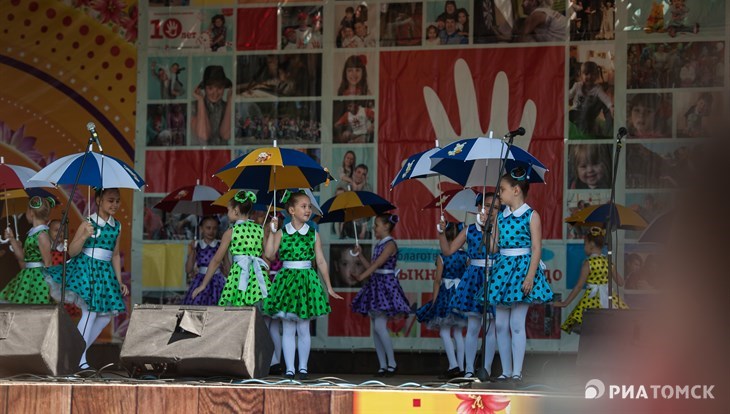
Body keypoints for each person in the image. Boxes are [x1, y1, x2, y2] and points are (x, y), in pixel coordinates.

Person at [45, 188, 129, 369]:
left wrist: (119, 280)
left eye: (117, 201)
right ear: (98, 200)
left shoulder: (118, 226)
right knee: (89, 312)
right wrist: (83, 235)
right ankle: (80, 360)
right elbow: (72, 251)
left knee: (106, 316)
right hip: (87, 269)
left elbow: (115, 255)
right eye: (110, 200)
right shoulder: (88, 222)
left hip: (104, 273)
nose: (114, 204)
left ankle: (74, 352)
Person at [263, 191, 342, 379]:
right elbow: (269, 254)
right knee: (289, 328)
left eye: (309, 207)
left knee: (303, 328)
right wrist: (271, 232)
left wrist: (329, 286)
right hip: (287, 282)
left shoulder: (313, 234)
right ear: (291, 210)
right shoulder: (282, 232)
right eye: (303, 206)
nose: (308, 210)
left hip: (306, 281)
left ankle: (303, 368)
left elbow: (321, 261)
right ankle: (290, 368)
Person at [486, 168, 553, 382]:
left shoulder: (531, 215)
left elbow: (536, 248)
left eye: (502, 190)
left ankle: (517, 371)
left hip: (523, 269)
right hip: (503, 270)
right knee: (500, 324)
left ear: (516, 190)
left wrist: (530, 276)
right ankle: (506, 370)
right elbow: (493, 249)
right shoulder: (500, 217)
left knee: (516, 323)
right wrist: (485, 227)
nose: (499, 195)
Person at [437, 193, 499, 379]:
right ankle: (469, 369)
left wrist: (489, 229)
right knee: (473, 327)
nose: (491, 211)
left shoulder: (500, 228)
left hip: (494, 277)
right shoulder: (469, 229)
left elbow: (496, 249)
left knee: (492, 328)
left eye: (495, 207)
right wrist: (441, 232)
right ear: (479, 207)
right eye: (487, 206)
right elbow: (447, 251)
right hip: (474, 278)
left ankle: (486, 369)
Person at [351, 213, 411, 377]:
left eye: (376, 225)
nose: (374, 228)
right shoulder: (379, 244)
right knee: (376, 329)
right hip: (376, 284)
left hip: (386, 285)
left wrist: (361, 277)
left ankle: (392, 363)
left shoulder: (390, 244)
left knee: (379, 326)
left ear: (386, 226)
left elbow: (378, 264)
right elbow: (372, 266)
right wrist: (360, 254)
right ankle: (383, 365)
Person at [192, 191, 269, 309]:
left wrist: (203, 285)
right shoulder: (259, 229)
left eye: (228, 209)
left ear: (236, 211)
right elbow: (267, 255)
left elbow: (216, 260)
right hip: (257, 277)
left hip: (238, 276)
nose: (227, 213)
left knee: (236, 313)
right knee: (257, 315)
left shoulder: (231, 232)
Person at [416, 222, 469, 378]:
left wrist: (434, 299)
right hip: (460, 295)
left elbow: (438, 280)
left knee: (445, 332)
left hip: (446, 295)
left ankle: (453, 366)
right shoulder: (466, 256)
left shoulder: (443, 256)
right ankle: (462, 367)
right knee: (459, 333)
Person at [554, 227, 628, 333]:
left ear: (591, 244)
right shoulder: (608, 262)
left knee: (590, 330)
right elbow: (621, 282)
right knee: (608, 329)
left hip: (591, 301)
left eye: (585, 244)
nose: (584, 247)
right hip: (609, 299)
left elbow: (579, 286)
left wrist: (565, 303)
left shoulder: (588, 263)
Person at [0, 196, 54, 304]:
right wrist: (12, 239)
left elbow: (48, 262)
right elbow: (23, 257)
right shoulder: (33, 232)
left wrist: (49, 287)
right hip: (28, 276)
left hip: (39, 280)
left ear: (31, 212)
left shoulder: (42, 234)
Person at [182, 216, 229, 305]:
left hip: (217, 282)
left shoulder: (220, 245)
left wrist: (226, 272)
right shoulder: (197, 246)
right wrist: (192, 251)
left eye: (214, 228)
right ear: (201, 229)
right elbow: (188, 270)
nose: (211, 231)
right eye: (208, 228)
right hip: (200, 280)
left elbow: (228, 268)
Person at [568, 61, 614, 138]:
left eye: (593, 74)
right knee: (577, 110)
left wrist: (611, 106)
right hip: (576, 112)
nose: (589, 76)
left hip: (589, 115)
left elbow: (605, 98)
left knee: (596, 101)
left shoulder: (597, 89)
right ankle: (583, 126)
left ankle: (607, 132)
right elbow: (569, 95)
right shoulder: (577, 86)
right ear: (581, 75)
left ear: (596, 76)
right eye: (586, 74)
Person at [191, 65, 233, 145]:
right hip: (199, 156)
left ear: (224, 88)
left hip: (224, 156)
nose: (215, 93)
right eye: (210, 88)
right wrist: (200, 101)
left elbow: (226, 135)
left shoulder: (227, 107)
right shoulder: (193, 106)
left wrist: (230, 101)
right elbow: (203, 135)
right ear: (205, 88)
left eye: (219, 88)